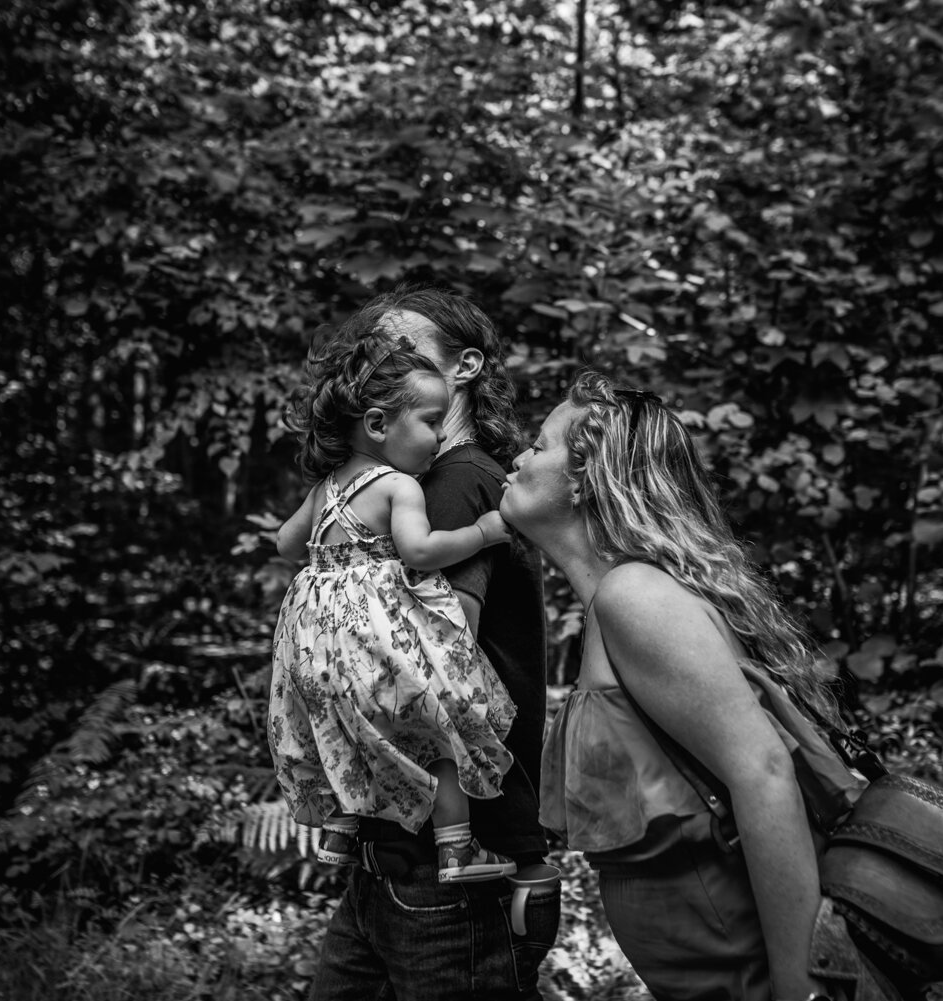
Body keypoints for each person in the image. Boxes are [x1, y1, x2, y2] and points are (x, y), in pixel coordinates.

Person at [500, 370, 895, 1001]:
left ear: (585, 479)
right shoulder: (616, 601)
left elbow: (764, 774)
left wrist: (803, 986)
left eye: (540, 445)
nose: (519, 456)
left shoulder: (636, 597)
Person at [304, 287, 559, 1001]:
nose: (381, 366)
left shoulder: (454, 486)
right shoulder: (413, 487)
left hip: (450, 861)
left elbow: (434, 665)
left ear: (466, 367)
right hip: (403, 851)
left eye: (404, 350)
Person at [270, 333, 519, 883]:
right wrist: (482, 532)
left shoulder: (327, 486)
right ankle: (457, 849)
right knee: (438, 732)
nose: (438, 437)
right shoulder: (397, 485)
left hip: (317, 649)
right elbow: (421, 551)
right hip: (378, 641)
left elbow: (288, 545)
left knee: (345, 729)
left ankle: (342, 825)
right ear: (379, 424)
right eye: (431, 421)